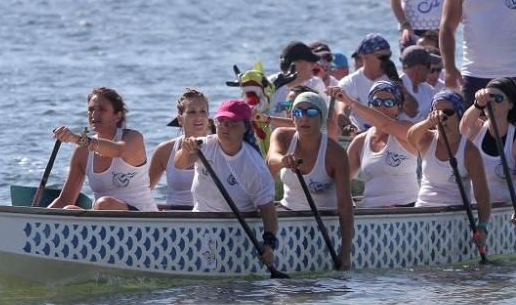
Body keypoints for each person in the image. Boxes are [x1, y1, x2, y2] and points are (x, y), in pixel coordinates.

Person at [176, 99, 280, 267]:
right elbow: (179, 164)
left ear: (246, 127)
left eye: (231, 122)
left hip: (238, 235)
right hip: (198, 227)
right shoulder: (205, 145)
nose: (224, 127)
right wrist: (186, 150)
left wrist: (269, 245)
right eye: (221, 122)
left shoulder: (254, 166)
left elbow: (268, 211)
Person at [267, 91, 354, 268]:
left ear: (321, 118)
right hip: (288, 216)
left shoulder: (335, 153)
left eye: (311, 113)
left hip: (325, 222)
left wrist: (345, 252)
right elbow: (271, 160)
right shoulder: (282, 135)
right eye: (298, 112)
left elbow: (345, 206)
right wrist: (283, 160)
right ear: (292, 118)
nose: (304, 118)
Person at [406, 90, 491, 252]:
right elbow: (410, 136)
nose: (442, 117)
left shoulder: (469, 151)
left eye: (448, 113)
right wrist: (427, 122)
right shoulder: (427, 139)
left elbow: (482, 193)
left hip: (454, 217)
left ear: (459, 114)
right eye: (437, 113)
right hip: (422, 213)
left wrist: (482, 226)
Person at [50, 87, 157, 211]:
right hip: (103, 219)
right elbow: (65, 199)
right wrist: (35, 216)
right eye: (91, 110)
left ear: (117, 116)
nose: (94, 115)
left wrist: (76, 138)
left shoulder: (133, 138)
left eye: (101, 109)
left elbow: (117, 150)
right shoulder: (82, 151)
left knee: (104, 204)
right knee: (69, 209)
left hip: (142, 218)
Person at [459, 77, 516, 234]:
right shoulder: (476, 129)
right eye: (489, 98)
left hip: (505, 212)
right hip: (475, 209)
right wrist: (477, 104)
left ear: (510, 105)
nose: (492, 102)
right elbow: (463, 127)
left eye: (498, 98)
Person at [328, 82, 419, 208]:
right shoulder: (360, 141)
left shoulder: (407, 130)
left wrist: (349, 102)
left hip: (407, 210)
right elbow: (339, 181)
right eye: (376, 102)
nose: (381, 107)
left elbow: (385, 124)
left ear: (398, 108)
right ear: (369, 106)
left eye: (388, 103)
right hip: (372, 213)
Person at [334, 33, 417, 135]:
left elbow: (412, 112)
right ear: (365, 57)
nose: (387, 61)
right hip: (361, 135)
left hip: (393, 136)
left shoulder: (398, 79)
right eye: (382, 57)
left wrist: (399, 85)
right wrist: (354, 134)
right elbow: (341, 116)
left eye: (388, 56)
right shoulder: (349, 83)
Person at [148, 88, 212, 210]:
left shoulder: (219, 147)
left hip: (209, 215)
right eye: (192, 112)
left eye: (203, 111)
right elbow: (144, 192)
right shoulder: (164, 151)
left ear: (208, 117)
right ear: (180, 119)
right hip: (175, 218)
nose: (198, 117)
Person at [270, 41, 326, 115]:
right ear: (295, 64)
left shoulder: (316, 84)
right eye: (310, 61)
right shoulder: (269, 84)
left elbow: (324, 117)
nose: (314, 65)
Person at [398, 45, 438, 124]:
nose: (430, 71)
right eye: (429, 66)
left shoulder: (428, 89)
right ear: (419, 68)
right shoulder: (395, 88)